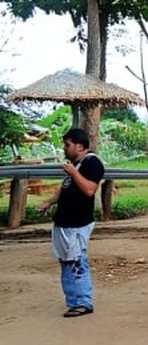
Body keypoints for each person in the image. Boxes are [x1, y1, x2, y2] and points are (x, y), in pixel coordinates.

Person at [38, 128, 105, 317]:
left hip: (77, 223)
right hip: (64, 222)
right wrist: (49, 202)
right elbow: (65, 188)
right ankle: (73, 300)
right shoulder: (75, 164)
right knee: (66, 261)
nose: (64, 148)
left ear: (80, 146)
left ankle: (84, 301)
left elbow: (89, 189)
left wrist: (73, 173)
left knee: (76, 260)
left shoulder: (92, 163)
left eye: (68, 145)